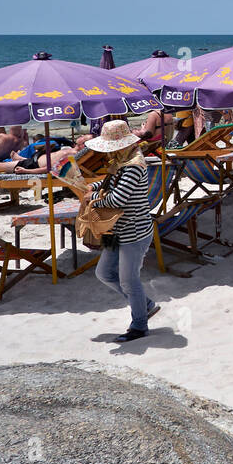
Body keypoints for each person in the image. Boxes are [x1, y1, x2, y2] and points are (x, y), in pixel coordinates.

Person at [86, 120, 159, 343]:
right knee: (104, 273)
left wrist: (94, 202)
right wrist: (95, 188)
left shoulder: (133, 165)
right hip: (117, 232)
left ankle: (139, 325)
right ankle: (145, 305)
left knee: (129, 280)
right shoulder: (122, 161)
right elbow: (111, 184)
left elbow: (118, 199)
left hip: (133, 233)